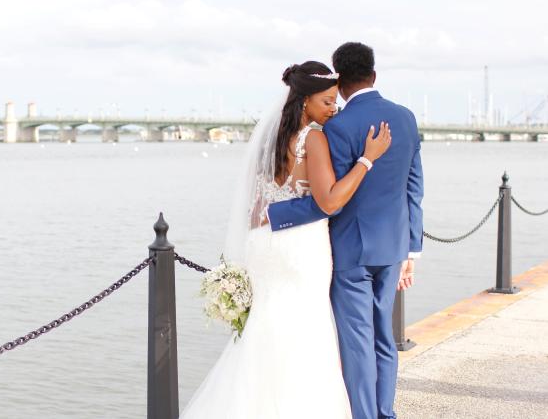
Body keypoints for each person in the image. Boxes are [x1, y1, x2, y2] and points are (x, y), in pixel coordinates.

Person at [180, 60, 391, 419]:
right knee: (306, 329)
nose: (333, 108)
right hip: (301, 247)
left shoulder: (271, 139)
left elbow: (256, 206)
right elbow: (330, 200)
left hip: (263, 244)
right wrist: (367, 161)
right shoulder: (314, 138)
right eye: (326, 101)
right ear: (305, 101)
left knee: (266, 324)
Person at [268, 42, 424, 419]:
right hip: (393, 248)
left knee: (357, 344)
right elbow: (414, 185)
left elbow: (326, 200)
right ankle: (385, 413)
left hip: (350, 250)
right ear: (374, 75)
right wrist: (412, 251)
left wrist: (274, 216)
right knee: (383, 337)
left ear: (339, 80)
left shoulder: (335, 127)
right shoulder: (405, 118)